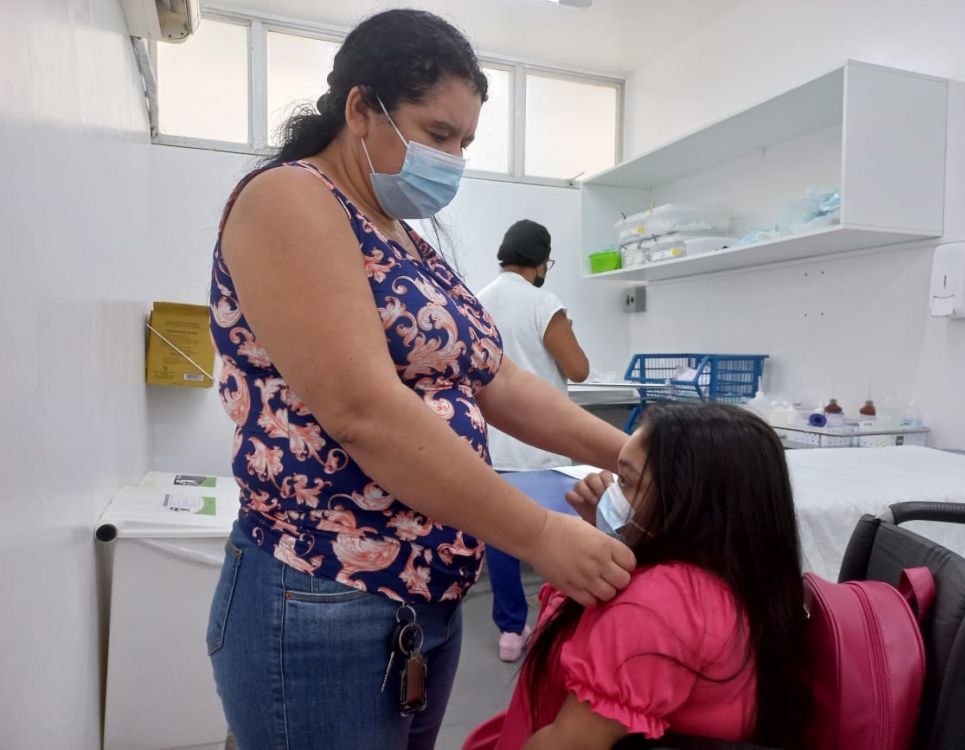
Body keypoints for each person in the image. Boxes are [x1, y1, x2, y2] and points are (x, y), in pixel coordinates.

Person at [205, 9, 635, 750]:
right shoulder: (291, 200)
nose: (455, 159)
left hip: (423, 599)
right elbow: (363, 412)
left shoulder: (407, 239)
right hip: (322, 593)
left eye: (465, 142)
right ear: (362, 109)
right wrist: (539, 534)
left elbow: (495, 379)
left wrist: (627, 454)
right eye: (439, 135)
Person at [464, 402, 809, 750]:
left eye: (626, 480)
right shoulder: (737, 578)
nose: (610, 491)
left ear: (686, 499)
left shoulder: (656, 607)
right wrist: (603, 535)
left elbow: (569, 743)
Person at [477, 220, 591, 661]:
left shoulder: (477, 301)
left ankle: (510, 632)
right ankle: (557, 625)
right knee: (560, 539)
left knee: (503, 539)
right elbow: (578, 369)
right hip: (543, 448)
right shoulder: (544, 302)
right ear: (541, 262)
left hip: (494, 448)